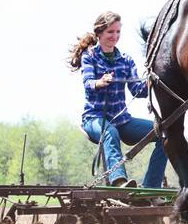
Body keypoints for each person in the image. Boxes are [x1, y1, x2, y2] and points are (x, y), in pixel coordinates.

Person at [67, 11, 168, 188]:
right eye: (110, 32)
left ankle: (151, 187)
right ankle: (119, 181)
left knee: (165, 134)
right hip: (94, 119)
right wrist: (100, 82)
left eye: (118, 32)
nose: (115, 36)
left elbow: (137, 90)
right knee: (110, 132)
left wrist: (152, 82)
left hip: (123, 121)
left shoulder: (126, 60)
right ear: (99, 33)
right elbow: (88, 83)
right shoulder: (89, 57)